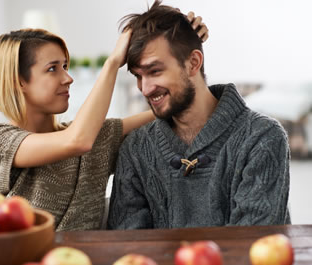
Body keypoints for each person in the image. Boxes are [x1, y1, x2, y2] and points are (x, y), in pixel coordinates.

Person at [0, 13, 208, 231]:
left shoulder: (97, 138)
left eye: (65, 66)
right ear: (18, 81)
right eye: (53, 69)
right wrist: (113, 62)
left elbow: (167, 108)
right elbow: (77, 141)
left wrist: (183, 50)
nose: (68, 78)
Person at [107, 0, 291, 230]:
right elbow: (127, 249)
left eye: (155, 71)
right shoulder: (135, 149)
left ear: (193, 62)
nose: (145, 88)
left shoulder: (262, 138)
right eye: (138, 75)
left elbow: (252, 246)